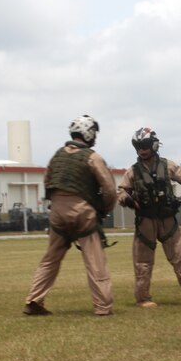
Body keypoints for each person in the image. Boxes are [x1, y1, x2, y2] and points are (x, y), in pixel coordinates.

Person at [22, 115, 116, 317]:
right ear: (89, 134)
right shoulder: (93, 157)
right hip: (82, 212)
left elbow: (47, 181)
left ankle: (34, 300)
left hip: (57, 212)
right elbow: (109, 189)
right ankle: (102, 306)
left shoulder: (56, 155)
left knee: (50, 259)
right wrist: (104, 209)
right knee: (95, 260)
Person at [118, 126, 181, 308]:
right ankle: (143, 298)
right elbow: (121, 192)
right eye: (138, 146)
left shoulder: (168, 165)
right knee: (143, 263)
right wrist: (127, 199)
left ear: (153, 145)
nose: (141, 149)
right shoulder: (132, 172)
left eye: (145, 145)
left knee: (180, 259)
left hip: (168, 220)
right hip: (145, 222)